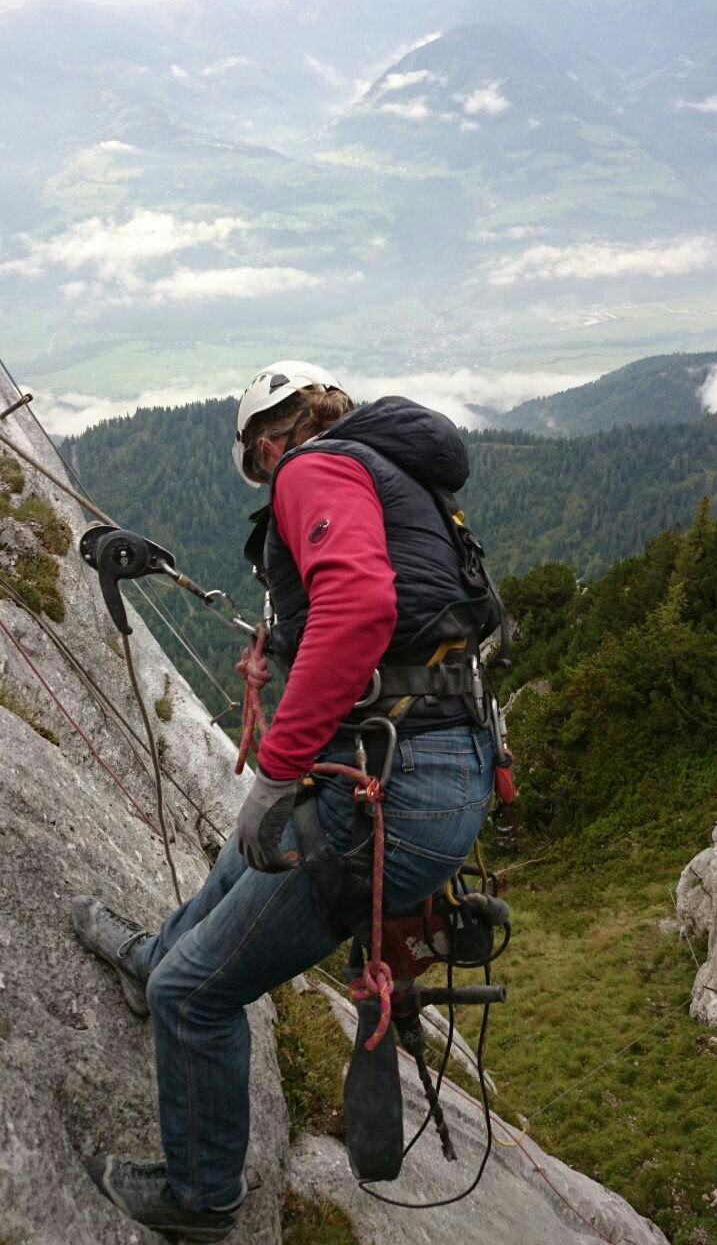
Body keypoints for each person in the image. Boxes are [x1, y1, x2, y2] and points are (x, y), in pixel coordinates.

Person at [73, 359, 498, 1242]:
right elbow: (390, 604)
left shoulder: (310, 468)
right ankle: (155, 957)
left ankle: (202, 1200)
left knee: (199, 995)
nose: (271, 484)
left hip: (394, 784)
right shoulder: (392, 469)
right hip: (428, 758)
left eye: (260, 471)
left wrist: (277, 769)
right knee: (243, 858)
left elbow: (358, 607)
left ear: (269, 443)